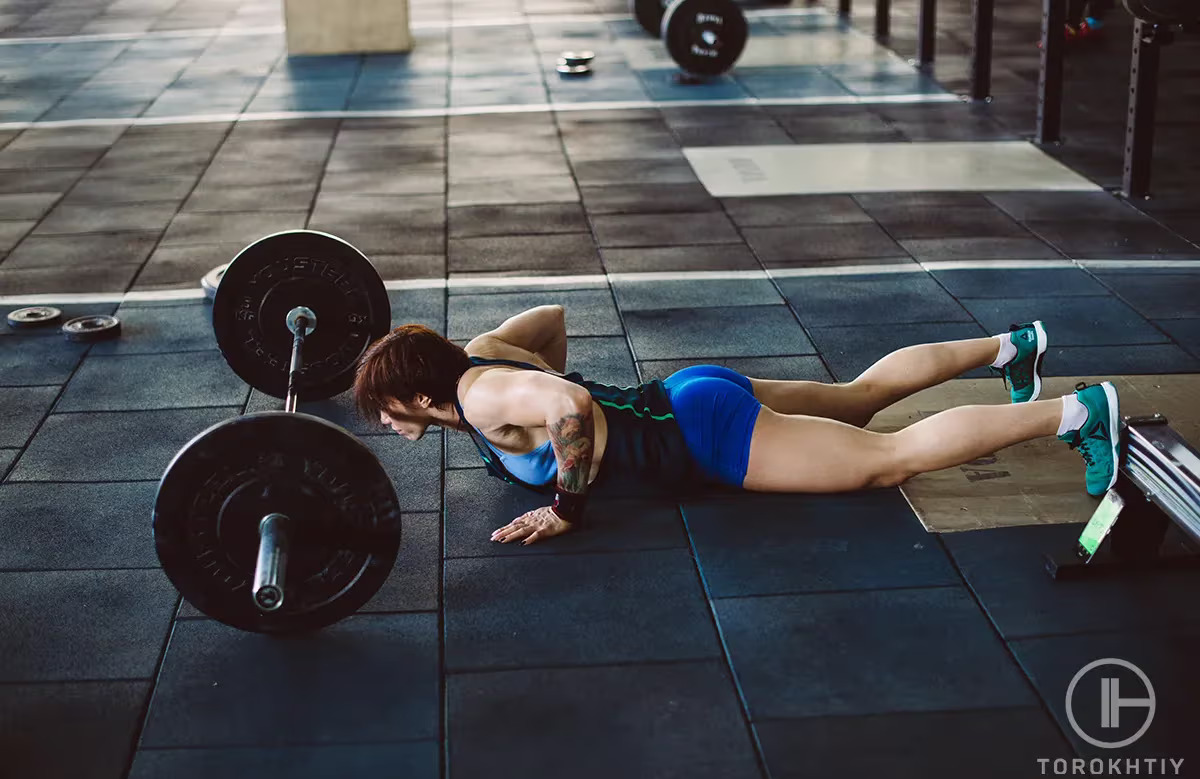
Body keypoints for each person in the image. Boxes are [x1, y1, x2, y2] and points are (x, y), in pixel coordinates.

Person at [353, 306, 1120, 546]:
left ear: (420, 400)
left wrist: (565, 505)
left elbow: (570, 408)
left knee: (891, 457)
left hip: (703, 437)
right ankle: (1011, 346)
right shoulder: (485, 354)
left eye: (385, 410)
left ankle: (1078, 413)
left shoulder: (484, 397)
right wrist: (564, 383)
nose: (384, 424)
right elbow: (551, 326)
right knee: (857, 397)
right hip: (685, 393)